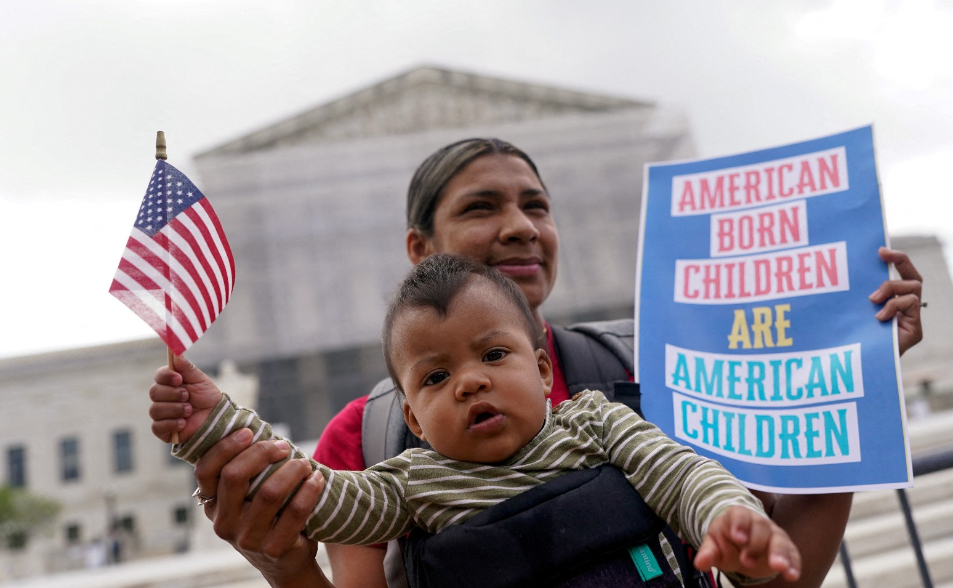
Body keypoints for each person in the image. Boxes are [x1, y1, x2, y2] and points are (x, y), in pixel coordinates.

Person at [157, 138, 924, 588]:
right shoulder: (374, 445)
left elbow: (774, 566)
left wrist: (852, 372)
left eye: (536, 206)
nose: (521, 227)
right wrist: (278, 553)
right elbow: (313, 492)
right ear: (419, 249)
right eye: (481, 207)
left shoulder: (648, 373)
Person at [152, 254, 801, 587]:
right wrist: (215, 424)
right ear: (412, 416)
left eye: (493, 355)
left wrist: (729, 519)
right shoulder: (409, 482)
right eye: (435, 377)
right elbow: (315, 494)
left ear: (542, 371)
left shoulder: (597, 423)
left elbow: (682, 476)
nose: (468, 381)